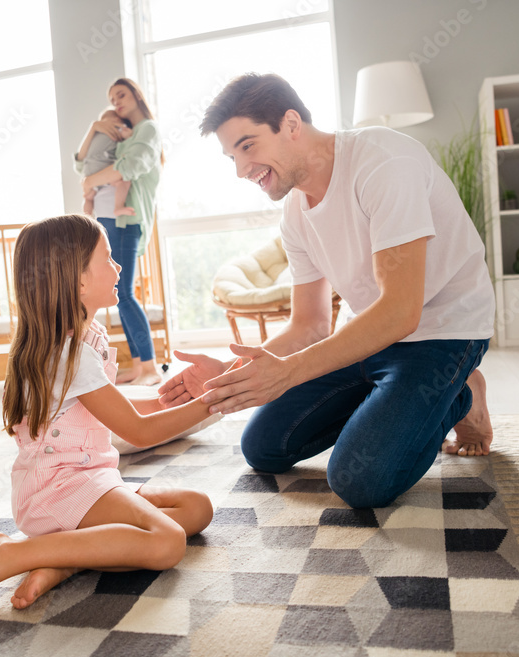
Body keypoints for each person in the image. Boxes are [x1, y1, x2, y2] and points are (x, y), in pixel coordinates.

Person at [158, 73, 496, 510]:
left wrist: (288, 373)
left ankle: (462, 392)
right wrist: (230, 373)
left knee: (360, 481)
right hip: (370, 337)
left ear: (291, 123)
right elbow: (310, 325)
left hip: (440, 332)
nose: (242, 170)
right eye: (232, 157)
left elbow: (401, 312)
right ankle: (391, 399)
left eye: (248, 146)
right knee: (263, 448)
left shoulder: (383, 163)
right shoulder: (295, 213)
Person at [0, 215, 222, 615]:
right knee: (167, 541)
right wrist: (217, 399)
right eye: (108, 259)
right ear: (77, 281)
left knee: (196, 508)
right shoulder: (69, 354)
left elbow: (121, 411)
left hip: (89, 479)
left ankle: (65, 560)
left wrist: (175, 397)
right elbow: (139, 431)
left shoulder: (86, 337)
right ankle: (9, 554)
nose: (117, 269)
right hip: (57, 490)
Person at [76, 78, 164, 386]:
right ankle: (140, 365)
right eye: (112, 98)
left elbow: (130, 167)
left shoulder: (147, 130)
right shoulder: (124, 134)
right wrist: (96, 129)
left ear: (137, 96)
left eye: (121, 95)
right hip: (113, 219)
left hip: (127, 221)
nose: (116, 102)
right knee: (120, 293)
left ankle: (151, 366)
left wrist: (90, 183)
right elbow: (85, 163)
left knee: (124, 292)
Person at [81, 109, 135, 219]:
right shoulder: (116, 128)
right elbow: (129, 139)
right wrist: (130, 135)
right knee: (123, 181)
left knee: (88, 198)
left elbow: (80, 157)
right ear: (116, 119)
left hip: (87, 170)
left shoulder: (95, 134)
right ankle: (118, 207)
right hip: (101, 167)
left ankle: (86, 219)